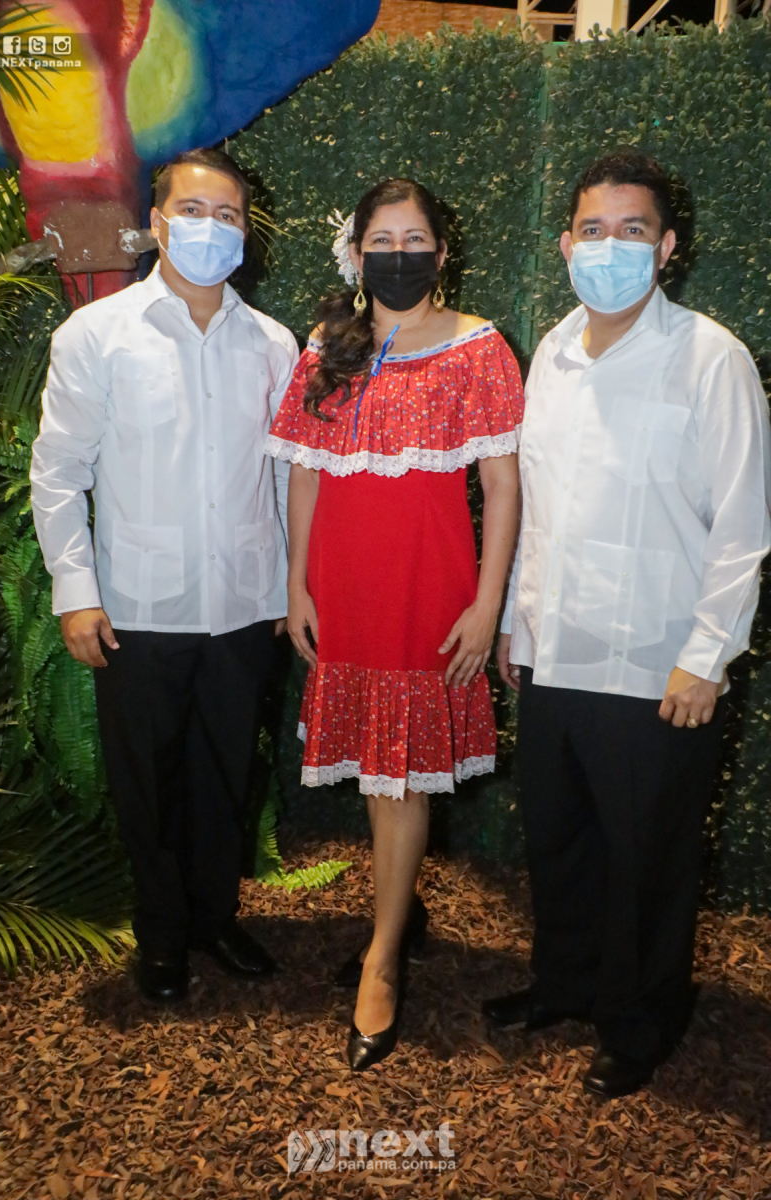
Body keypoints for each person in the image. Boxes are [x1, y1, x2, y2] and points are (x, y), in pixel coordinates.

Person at [484, 150, 771, 1098]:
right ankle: (565, 985)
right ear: (566, 244)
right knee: (560, 839)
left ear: (667, 246)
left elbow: (743, 526)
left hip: (657, 664)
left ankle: (642, 1020)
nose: (610, 247)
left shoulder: (712, 359)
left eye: (633, 230)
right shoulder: (551, 355)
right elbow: (538, 508)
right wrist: (518, 626)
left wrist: (707, 657)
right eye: (593, 230)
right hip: (556, 654)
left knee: (649, 857)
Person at [30, 147, 299, 1003]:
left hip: (244, 602)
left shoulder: (272, 344)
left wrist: (291, 588)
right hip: (139, 606)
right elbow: (59, 472)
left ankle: (214, 917)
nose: (210, 229)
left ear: (246, 233)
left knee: (226, 772)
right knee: (147, 779)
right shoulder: (97, 336)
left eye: (228, 216)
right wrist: (76, 593)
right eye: (192, 211)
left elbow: (287, 477)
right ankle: (162, 934)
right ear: (156, 223)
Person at [266, 178, 523, 1070]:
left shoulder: (479, 348)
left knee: (401, 777)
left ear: (442, 252)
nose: (399, 255)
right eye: (383, 240)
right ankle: (398, 917)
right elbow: (304, 474)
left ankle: (382, 959)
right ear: (357, 252)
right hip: (343, 588)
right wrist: (297, 587)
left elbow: (502, 486)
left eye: (416, 240)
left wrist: (486, 604)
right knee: (379, 776)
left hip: (428, 590)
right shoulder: (326, 346)